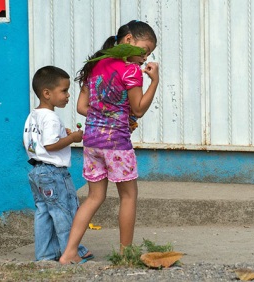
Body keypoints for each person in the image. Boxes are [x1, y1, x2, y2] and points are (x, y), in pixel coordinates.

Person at [59, 20, 159, 264]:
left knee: (94, 198)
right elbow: (139, 108)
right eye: (143, 51)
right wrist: (154, 81)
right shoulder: (131, 71)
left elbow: (83, 107)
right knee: (128, 196)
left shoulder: (95, 65)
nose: (144, 58)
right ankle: (125, 254)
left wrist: (106, 112)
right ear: (127, 41)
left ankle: (69, 252)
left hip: (92, 142)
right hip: (116, 145)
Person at [23, 66, 93, 263]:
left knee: (44, 213)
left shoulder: (33, 116)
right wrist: (72, 138)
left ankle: (45, 256)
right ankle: (72, 252)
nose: (68, 95)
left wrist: (64, 135)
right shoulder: (51, 117)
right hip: (53, 173)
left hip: (36, 171)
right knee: (64, 211)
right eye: (63, 90)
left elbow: (31, 142)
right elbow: (51, 145)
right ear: (47, 93)